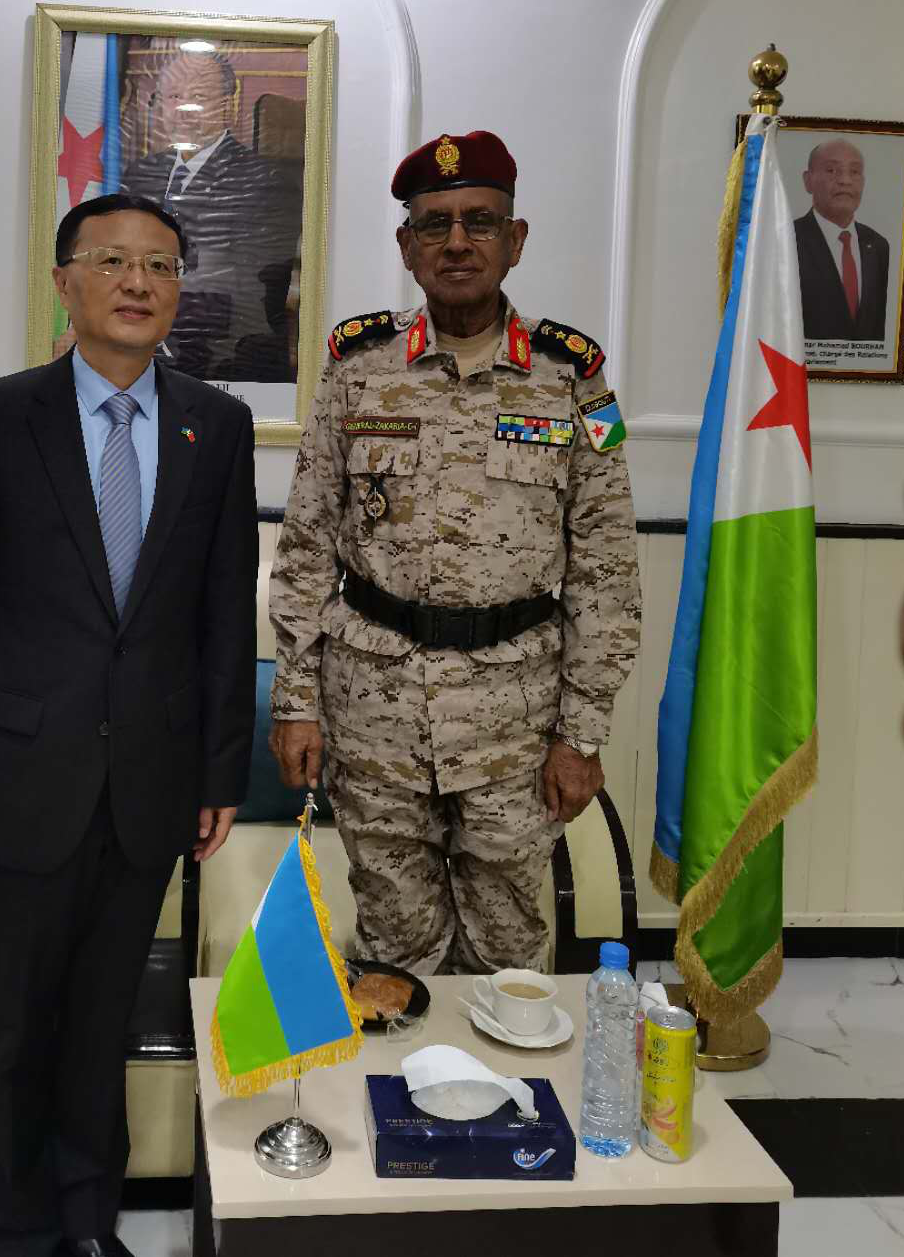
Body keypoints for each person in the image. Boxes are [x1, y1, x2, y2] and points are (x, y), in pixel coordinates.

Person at [0, 192, 257, 1257]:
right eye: (111, 260)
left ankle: (88, 1220)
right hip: (19, 779)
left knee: (105, 1020)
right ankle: (14, 1230)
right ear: (64, 281)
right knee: (20, 1022)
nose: (138, 282)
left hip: (149, 782)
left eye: (160, 264)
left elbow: (221, 614)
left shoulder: (215, 424)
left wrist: (220, 771)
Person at [268, 131, 641, 976]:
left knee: (509, 951)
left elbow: (608, 565)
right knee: (393, 948)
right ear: (408, 247)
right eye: (435, 224)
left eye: (481, 221)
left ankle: (499, 1070)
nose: (458, 242)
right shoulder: (358, 368)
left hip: (516, 719)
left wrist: (581, 733)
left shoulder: (574, 377)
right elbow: (307, 542)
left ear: (516, 239)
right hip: (375, 708)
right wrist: (296, 699)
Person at [122, 49, 302, 380]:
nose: (183, 110)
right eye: (173, 96)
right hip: (139, 358)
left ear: (228, 107)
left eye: (198, 97)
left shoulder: (265, 181)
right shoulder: (140, 175)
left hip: (225, 364)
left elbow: (247, 296)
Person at [794, 137, 890, 342]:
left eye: (854, 172)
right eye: (831, 170)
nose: (845, 180)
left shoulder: (878, 246)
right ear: (808, 180)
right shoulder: (786, 240)